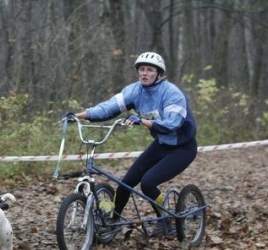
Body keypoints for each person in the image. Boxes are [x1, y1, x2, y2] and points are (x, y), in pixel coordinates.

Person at [68, 52, 197, 226]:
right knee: (125, 184)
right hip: (160, 144)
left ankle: (164, 219)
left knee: (148, 183)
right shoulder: (134, 91)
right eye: (141, 69)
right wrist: (78, 116)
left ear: (159, 73)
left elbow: (172, 124)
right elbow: (108, 108)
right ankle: (113, 223)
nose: (144, 73)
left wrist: (142, 121)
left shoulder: (172, 93)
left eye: (149, 70)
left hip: (182, 147)